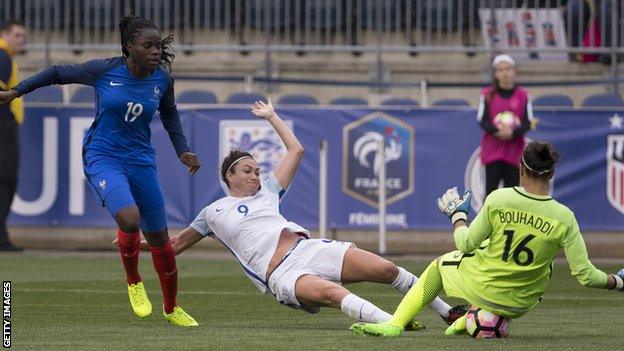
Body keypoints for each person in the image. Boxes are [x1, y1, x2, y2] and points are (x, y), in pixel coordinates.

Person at [125, 98, 466, 327]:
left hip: (309, 248)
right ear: (229, 175)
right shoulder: (213, 212)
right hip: (282, 276)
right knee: (336, 295)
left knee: (387, 268)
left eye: (257, 170)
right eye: (247, 170)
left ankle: (448, 312)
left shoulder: (269, 193)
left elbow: (296, 149)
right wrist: (140, 245)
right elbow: (176, 245)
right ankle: (392, 325)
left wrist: (271, 116)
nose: (255, 175)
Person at [0, 15, 202, 326]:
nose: (155, 52)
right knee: (130, 218)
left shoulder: (162, 80)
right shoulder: (105, 70)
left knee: (161, 240)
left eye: (158, 46)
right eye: (148, 46)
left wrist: (183, 150)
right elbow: (56, 73)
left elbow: (170, 114)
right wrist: (18, 90)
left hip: (141, 160)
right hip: (103, 155)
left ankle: (172, 308)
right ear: (129, 47)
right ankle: (133, 281)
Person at [351, 141, 624, 337]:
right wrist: (618, 282)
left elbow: (465, 243)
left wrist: (458, 217)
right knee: (532, 257)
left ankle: (395, 324)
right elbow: (586, 275)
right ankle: (469, 320)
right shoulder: (565, 217)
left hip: (486, 290)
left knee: (440, 266)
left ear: (521, 169)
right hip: (521, 302)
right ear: (552, 173)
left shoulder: (499, 199)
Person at [477, 54, 534, 201]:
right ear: (495, 74)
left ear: (514, 71)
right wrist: (498, 131)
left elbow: (528, 122)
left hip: (514, 152)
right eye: (500, 70)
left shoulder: (524, 95)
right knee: (490, 193)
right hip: (493, 151)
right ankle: (488, 223)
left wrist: (512, 132)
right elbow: (482, 120)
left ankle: (509, 224)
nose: (504, 73)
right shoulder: (487, 94)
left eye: (507, 69)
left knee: (512, 195)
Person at [0, 20, 26, 252]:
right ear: (4, 34)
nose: (21, 40)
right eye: (17, 35)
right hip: (3, 126)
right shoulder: (2, 56)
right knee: (5, 179)